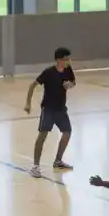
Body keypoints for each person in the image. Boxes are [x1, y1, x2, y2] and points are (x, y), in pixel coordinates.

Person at [24, 46, 76, 176]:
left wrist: (70, 85)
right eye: (66, 59)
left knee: (67, 133)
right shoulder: (48, 72)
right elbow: (33, 85)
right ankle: (35, 166)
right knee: (43, 136)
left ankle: (58, 160)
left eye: (69, 59)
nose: (68, 61)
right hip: (48, 109)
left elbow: (73, 82)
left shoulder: (68, 70)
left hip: (61, 109)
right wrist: (28, 103)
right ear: (58, 60)